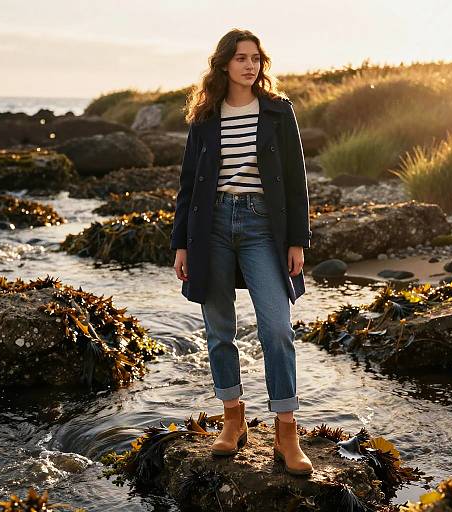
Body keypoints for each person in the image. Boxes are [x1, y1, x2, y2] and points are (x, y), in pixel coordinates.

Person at [171, 28, 313, 476]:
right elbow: (188, 185)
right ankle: (233, 420)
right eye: (240, 58)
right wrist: (180, 244)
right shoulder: (205, 116)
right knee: (219, 330)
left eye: (255, 58)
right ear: (224, 65)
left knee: (276, 328)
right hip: (209, 227)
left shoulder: (277, 111)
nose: (250, 65)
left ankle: (286, 431)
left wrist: (297, 240)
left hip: (261, 227)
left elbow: (296, 180)